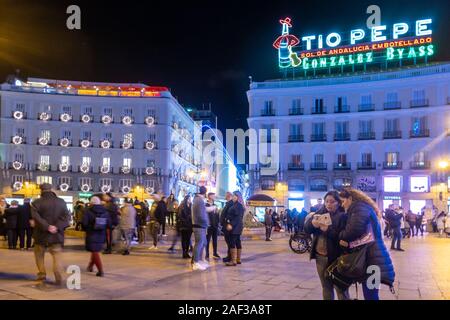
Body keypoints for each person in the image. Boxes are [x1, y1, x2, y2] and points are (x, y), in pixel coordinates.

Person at [338, 188, 395, 300]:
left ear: (350, 198)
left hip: (372, 258)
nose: (343, 205)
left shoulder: (359, 208)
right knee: (371, 292)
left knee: (370, 293)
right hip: (373, 256)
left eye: (343, 201)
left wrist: (341, 235)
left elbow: (353, 230)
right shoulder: (363, 207)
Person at [304, 191, 349, 300]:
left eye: (332, 202)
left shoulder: (343, 216)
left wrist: (328, 230)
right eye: (327, 201)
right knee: (326, 287)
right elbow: (306, 229)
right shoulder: (319, 213)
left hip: (337, 258)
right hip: (320, 257)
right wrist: (312, 224)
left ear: (338, 203)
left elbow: (344, 237)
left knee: (340, 288)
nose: (329, 204)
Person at [30, 183, 70, 285]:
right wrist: (56, 226)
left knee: (39, 255)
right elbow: (67, 218)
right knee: (57, 256)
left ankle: (42, 275)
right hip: (56, 235)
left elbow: (36, 217)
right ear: (51, 189)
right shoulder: (61, 202)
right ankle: (58, 277)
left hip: (41, 234)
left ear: (41, 190)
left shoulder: (36, 203)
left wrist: (47, 226)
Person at [82, 196, 111, 277]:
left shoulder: (88, 211)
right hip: (101, 234)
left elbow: (84, 223)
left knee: (94, 251)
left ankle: (100, 271)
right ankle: (90, 266)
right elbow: (109, 224)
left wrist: (87, 228)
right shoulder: (105, 211)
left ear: (91, 203)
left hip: (92, 233)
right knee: (94, 250)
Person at [224, 191, 245, 266]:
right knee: (237, 242)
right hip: (237, 227)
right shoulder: (238, 205)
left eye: (234, 196)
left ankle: (233, 261)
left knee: (232, 242)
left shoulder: (238, 206)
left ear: (238, 197)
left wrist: (231, 224)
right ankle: (238, 259)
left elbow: (237, 218)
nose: (232, 197)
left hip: (235, 227)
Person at [191, 186, 209, 271]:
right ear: (205, 193)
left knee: (202, 243)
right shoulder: (199, 201)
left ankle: (199, 261)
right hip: (199, 225)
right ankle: (195, 262)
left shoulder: (196, 200)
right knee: (199, 244)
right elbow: (201, 215)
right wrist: (206, 223)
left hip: (198, 225)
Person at [205, 192, 220, 260]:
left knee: (215, 240)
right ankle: (207, 254)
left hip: (215, 226)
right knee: (207, 240)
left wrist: (217, 223)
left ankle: (215, 253)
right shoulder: (206, 205)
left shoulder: (215, 205)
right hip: (208, 226)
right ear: (209, 196)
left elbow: (217, 216)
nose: (214, 197)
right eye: (213, 196)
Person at [220, 192, 234, 263]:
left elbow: (229, 215)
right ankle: (229, 256)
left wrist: (228, 223)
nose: (225, 196)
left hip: (228, 226)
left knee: (229, 242)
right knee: (228, 242)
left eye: (226, 195)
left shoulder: (230, 204)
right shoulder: (228, 203)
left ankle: (230, 257)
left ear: (229, 196)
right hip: (226, 226)